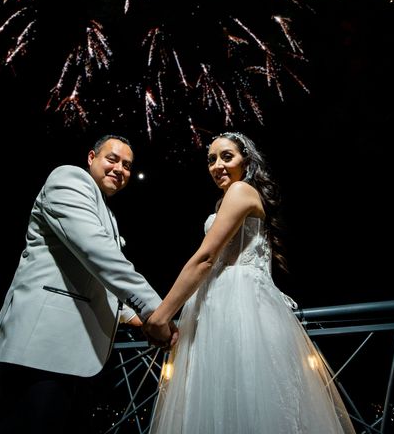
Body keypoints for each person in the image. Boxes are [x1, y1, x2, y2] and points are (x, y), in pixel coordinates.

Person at [143, 132, 356, 433]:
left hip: (238, 310)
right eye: (211, 159)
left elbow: (205, 259)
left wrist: (161, 315)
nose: (217, 165)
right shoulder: (231, 198)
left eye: (226, 156)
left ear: (247, 161)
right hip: (222, 306)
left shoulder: (241, 191)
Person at [0, 134, 177, 433]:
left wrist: (131, 316)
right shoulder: (68, 179)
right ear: (91, 158)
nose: (120, 169)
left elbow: (89, 277)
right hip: (40, 350)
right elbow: (96, 252)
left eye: (127, 165)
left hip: (78, 356)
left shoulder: (105, 211)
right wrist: (156, 310)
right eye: (112, 159)